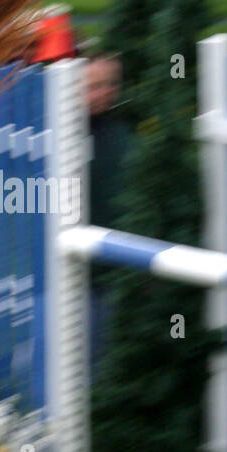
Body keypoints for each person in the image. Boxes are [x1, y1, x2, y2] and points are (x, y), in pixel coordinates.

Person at [84, 53, 136, 371]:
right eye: (92, 86)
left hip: (107, 274)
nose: (102, 93)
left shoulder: (123, 138)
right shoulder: (55, 134)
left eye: (109, 84)